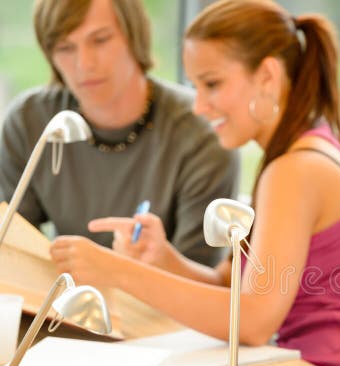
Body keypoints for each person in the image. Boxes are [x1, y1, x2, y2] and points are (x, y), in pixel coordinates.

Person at [50, 0, 340, 366]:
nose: (200, 107)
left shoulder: (296, 170)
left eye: (212, 84)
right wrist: (165, 259)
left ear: (267, 76)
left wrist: (116, 271)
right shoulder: (298, 152)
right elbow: (235, 287)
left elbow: (253, 320)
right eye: (195, 87)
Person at [0, 0, 238, 266]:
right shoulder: (30, 122)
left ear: (134, 36)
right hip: (58, 302)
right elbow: (14, 251)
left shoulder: (201, 132)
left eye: (100, 40)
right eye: (65, 48)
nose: (84, 64)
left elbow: (202, 280)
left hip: (156, 305)